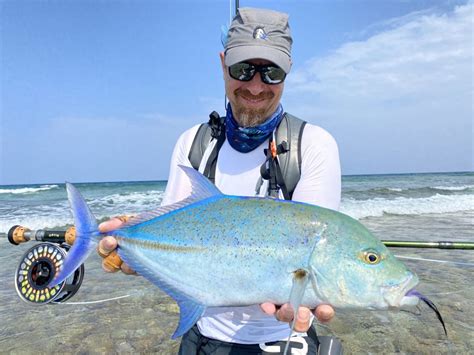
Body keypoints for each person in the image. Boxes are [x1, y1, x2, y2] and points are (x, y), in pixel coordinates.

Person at [98, 7, 341, 354]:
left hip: (280, 339)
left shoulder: (313, 146)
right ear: (222, 63)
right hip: (201, 336)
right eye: (242, 69)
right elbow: (172, 234)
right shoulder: (193, 144)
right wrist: (132, 244)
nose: (256, 86)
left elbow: (312, 252)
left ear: (288, 72)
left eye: (271, 72)